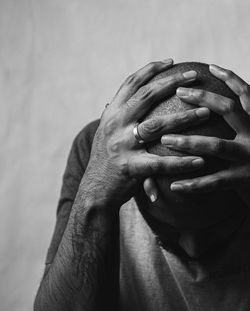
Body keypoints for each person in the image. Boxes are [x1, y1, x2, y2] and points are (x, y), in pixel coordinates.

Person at [34, 59, 250, 311]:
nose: (192, 249)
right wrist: (96, 193)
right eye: (168, 231)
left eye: (216, 229)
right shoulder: (101, 154)